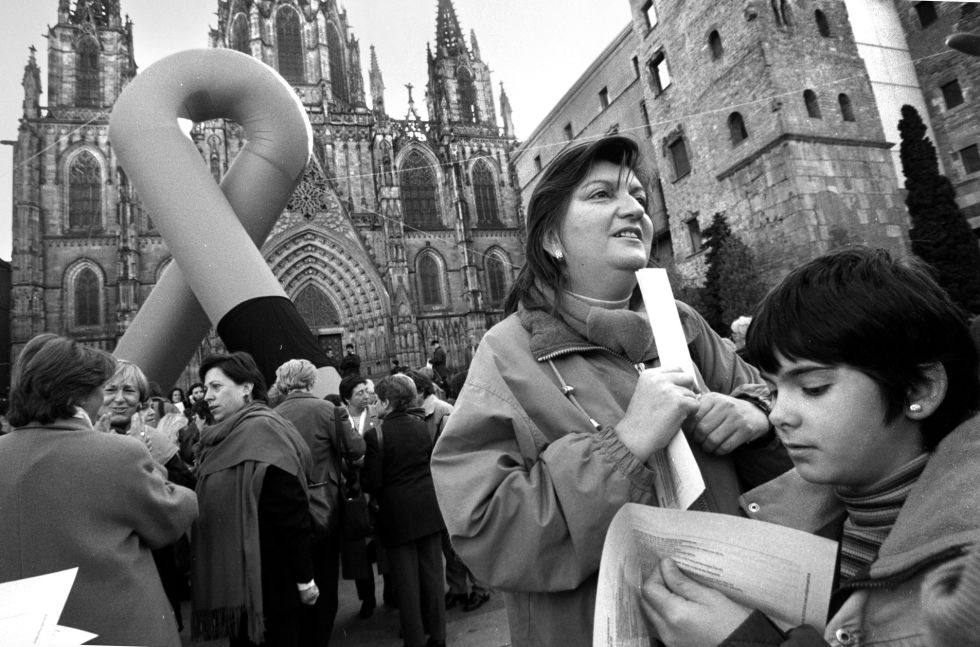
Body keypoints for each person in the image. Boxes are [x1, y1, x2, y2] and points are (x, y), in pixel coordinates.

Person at [430, 135, 785, 647]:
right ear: (551, 237)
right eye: (601, 195)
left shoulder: (680, 321)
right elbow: (486, 533)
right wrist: (624, 447)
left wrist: (755, 417)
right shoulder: (507, 354)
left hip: (733, 621)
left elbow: (775, 404)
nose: (633, 209)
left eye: (638, 194)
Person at [639, 247, 980, 646]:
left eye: (813, 388)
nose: (780, 414)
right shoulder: (796, 522)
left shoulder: (967, 577)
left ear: (918, 388)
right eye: (772, 389)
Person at [0, 334, 197, 646]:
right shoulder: (119, 452)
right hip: (111, 629)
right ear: (80, 395)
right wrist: (153, 465)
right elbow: (171, 518)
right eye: (101, 389)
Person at [191, 351, 319, 647]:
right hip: (238, 585)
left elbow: (291, 513)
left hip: (271, 584)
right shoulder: (218, 436)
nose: (207, 396)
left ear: (246, 388)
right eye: (206, 388)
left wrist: (305, 579)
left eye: (216, 387)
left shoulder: (264, 430)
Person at [273, 358, 365, 646]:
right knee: (325, 581)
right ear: (311, 382)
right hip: (324, 507)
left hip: (286, 509)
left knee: (298, 576)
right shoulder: (327, 409)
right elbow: (356, 448)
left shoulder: (271, 414)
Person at [362, 375, 447, 647]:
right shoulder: (421, 426)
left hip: (397, 514)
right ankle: (439, 636)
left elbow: (372, 482)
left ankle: (415, 639)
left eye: (376, 400)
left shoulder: (376, 434)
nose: (373, 405)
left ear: (387, 403)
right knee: (433, 576)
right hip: (427, 508)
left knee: (407, 582)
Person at [405, 369, 490, 612]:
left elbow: (459, 450)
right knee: (447, 543)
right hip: (435, 488)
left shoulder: (442, 411)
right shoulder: (419, 412)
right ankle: (457, 588)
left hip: (453, 486)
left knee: (462, 541)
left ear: (420, 392)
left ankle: (480, 588)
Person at [338, 374, 392, 617]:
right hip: (352, 489)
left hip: (374, 484)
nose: (365, 396)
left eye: (365, 392)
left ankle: (391, 591)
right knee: (358, 549)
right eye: (359, 393)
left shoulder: (373, 413)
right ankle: (367, 598)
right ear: (346, 397)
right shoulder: (339, 418)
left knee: (384, 542)